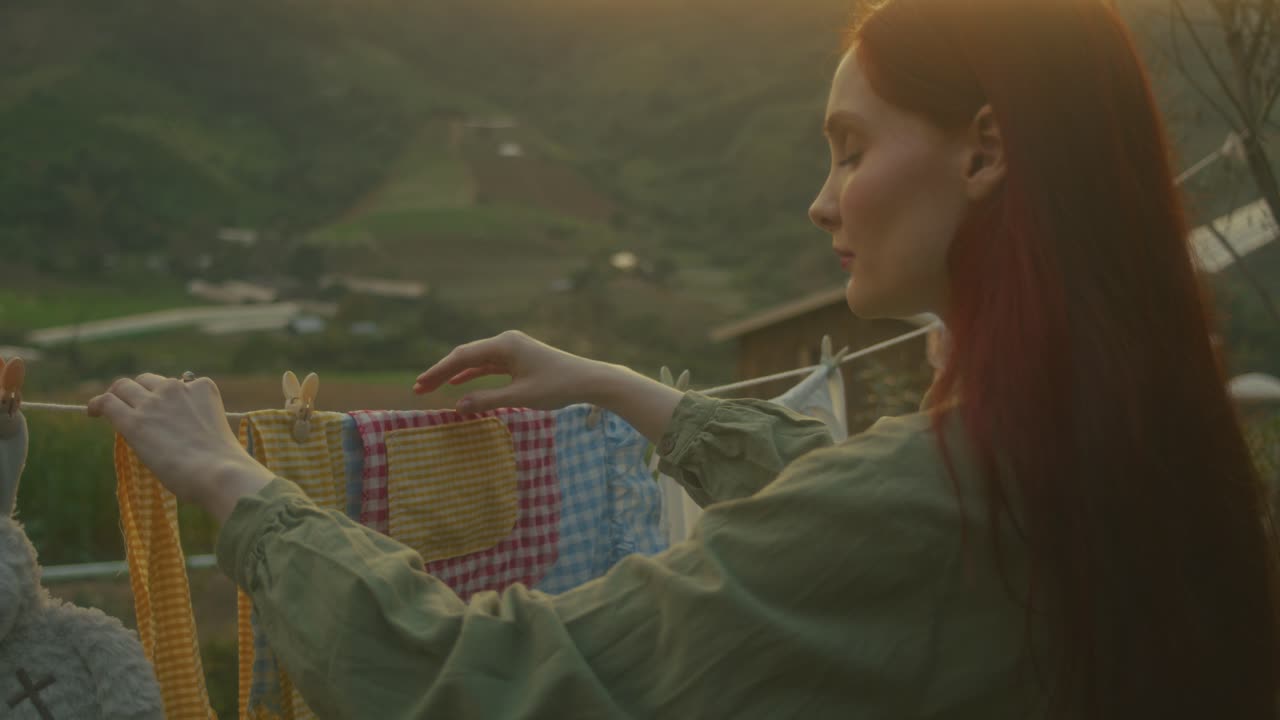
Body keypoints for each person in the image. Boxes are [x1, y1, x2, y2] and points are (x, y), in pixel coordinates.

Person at [89, 0, 1280, 717]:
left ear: (982, 154)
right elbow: (851, 508)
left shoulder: (942, 499)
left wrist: (239, 488)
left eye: (848, 149)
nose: (820, 203)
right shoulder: (1131, 455)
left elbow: (496, 686)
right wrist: (623, 392)